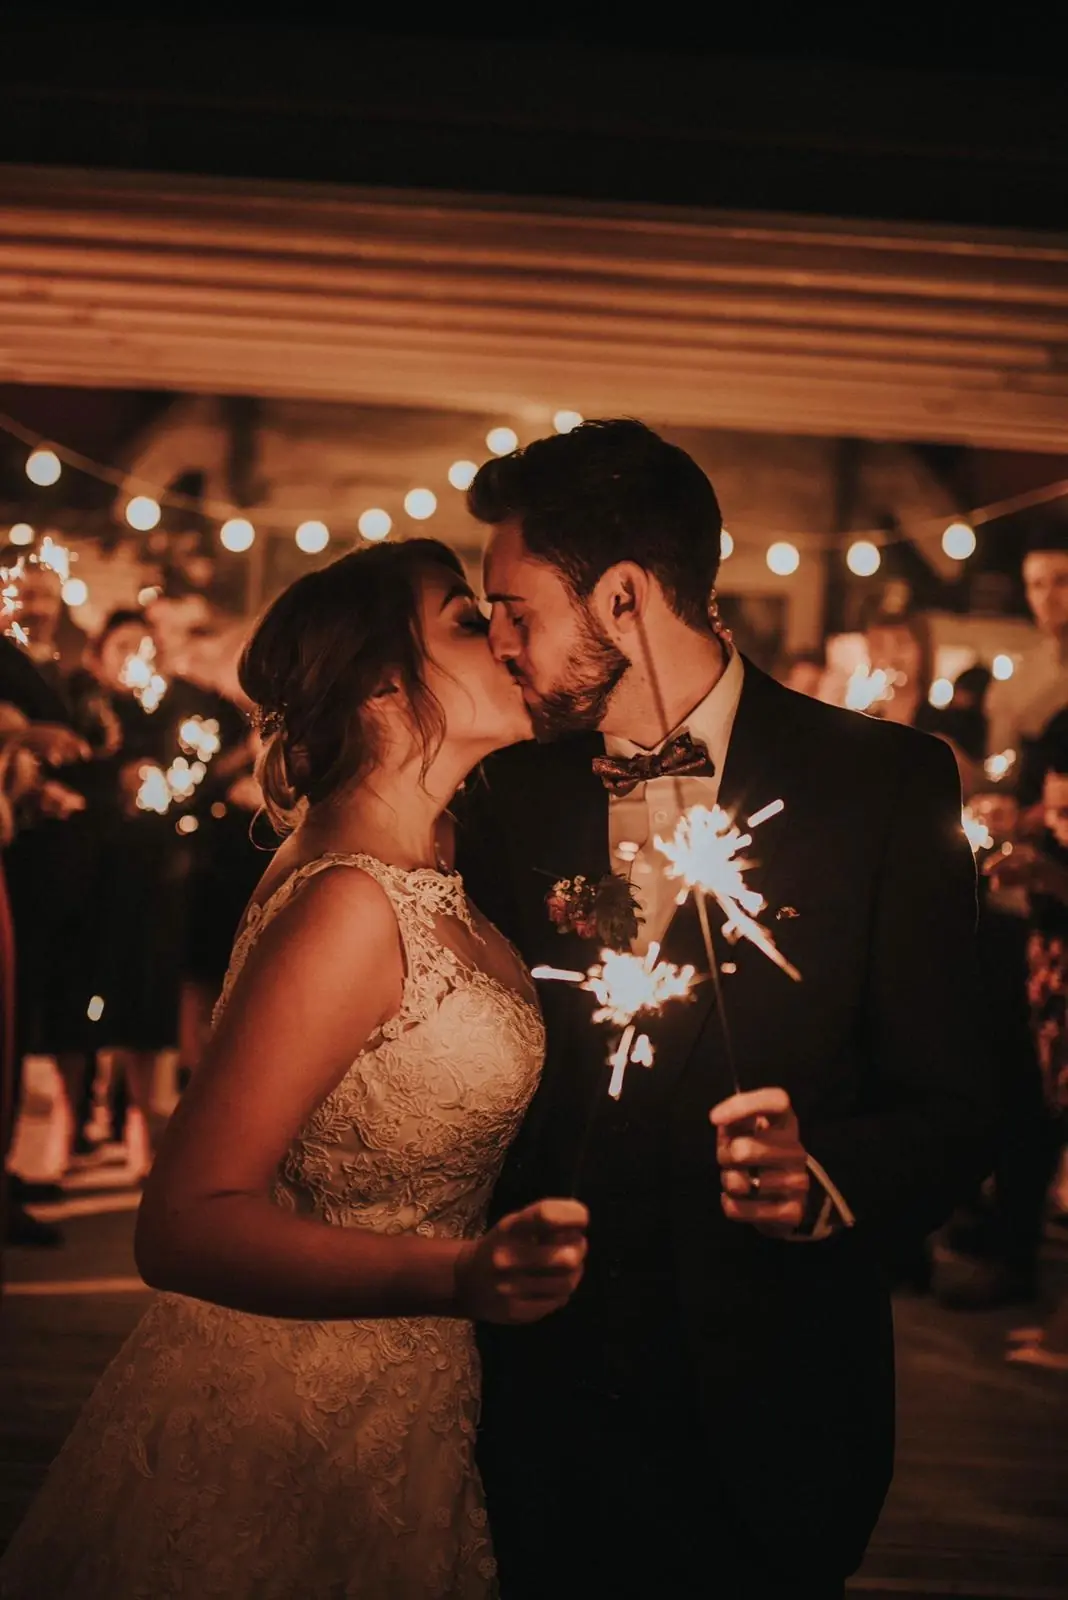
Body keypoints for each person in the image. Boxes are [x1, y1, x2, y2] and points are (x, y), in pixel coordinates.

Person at [454, 419, 995, 1600]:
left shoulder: (887, 786)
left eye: (515, 608)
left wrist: (825, 1179)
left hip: (775, 1405)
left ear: (626, 596)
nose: (495, 641)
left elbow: (964, 1105)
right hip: (541, 1406)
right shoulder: (502, 794)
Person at [0, 538, 587, 1599]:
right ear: (381, 682)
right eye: (465, 616)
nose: (502, 635)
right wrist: (458, 1276)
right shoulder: (348, 904)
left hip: (408, 1404)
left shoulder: (432, 861)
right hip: (287, 1410)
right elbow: (181, 1221)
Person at [985, 522, 1068, 806]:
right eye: (1036, 584)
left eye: (1062, 581)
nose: (1048, 598)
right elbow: (1004, 775)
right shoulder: (1018, 678)